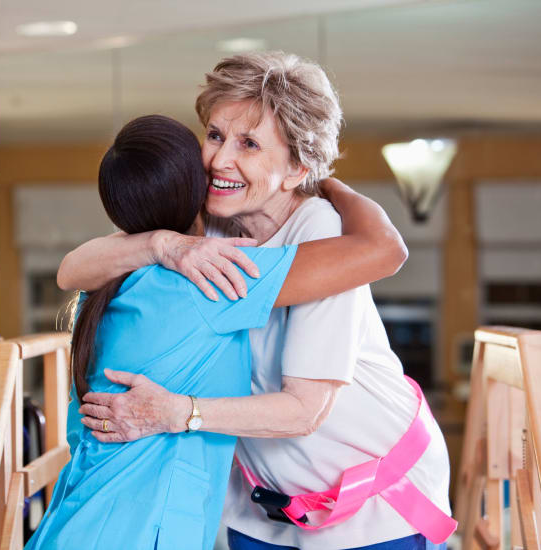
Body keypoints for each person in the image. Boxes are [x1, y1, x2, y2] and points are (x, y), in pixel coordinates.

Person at [59, 52, 454, 549]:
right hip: (264, 505)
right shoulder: (212, 219)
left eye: (249, 144)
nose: (221, 160)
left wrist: (177, 413)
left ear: (297, 167)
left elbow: (304, 412)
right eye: (216, 135)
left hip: (373, 504)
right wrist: (164, 243)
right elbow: (73, 270)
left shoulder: (320, 230)